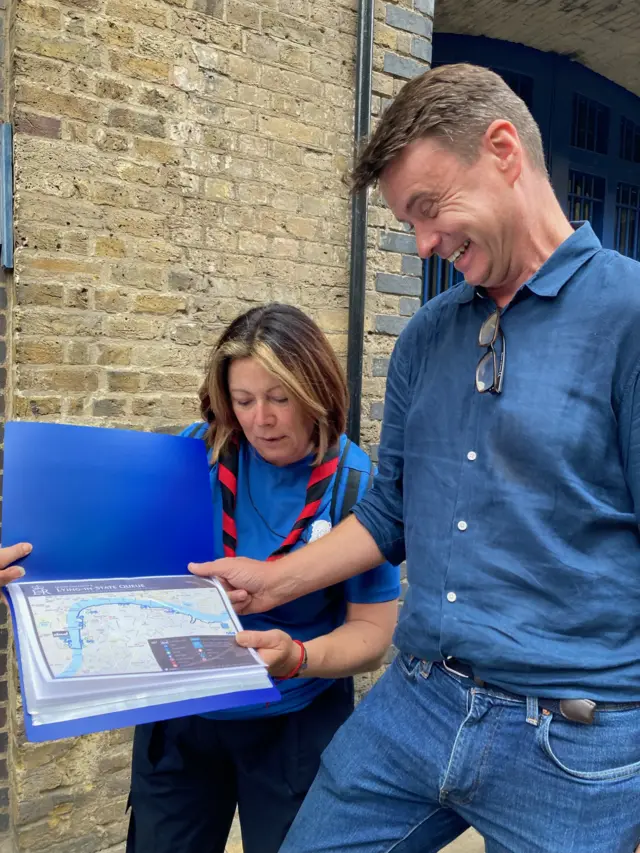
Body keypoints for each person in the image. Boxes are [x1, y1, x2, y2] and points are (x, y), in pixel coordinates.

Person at [189, 64, 640, 853]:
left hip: (577, 738)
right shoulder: (427, 335)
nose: (425, 242)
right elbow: (388, 513)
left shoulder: (629, 316)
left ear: (504, 151)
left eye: (429, 209)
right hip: (419, 700)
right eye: (409, 224)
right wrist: (275, 579)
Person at [127, 304, 400, 853]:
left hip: (294, 722)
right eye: (243, 400)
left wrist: (296, 656)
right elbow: (125, 560)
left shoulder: (357, 485)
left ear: (317, 391)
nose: (260, 420)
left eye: (279, 398)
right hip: (181, 716)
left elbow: (372, 637)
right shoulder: (194, 453)